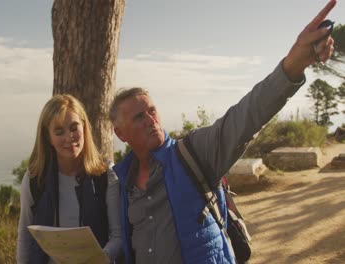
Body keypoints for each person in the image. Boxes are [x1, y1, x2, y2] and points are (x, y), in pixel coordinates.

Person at [108, 1, 337, 263]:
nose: (151, 119)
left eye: (152, 110)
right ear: (121, 133)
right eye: (139, 117)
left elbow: (246, 116)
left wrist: (293, 65)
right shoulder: (119, 181)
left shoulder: (193, 153)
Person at [17, 94, 122, 264]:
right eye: (59, 132)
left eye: (74, 128)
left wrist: (101, 258)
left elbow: (118, 236)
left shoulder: (105, 175)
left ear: (85, 128)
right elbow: (25, 237)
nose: (69, 137)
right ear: (48, 137)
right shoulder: (35, 179)